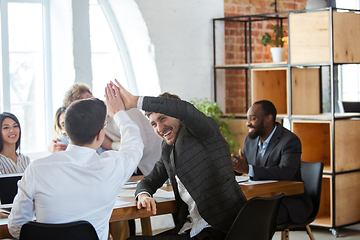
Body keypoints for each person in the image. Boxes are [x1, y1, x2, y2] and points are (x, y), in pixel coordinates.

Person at [110, 80, 247, 240]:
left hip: (221, 230)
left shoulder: (206, 132)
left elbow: (186, 110)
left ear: (178, 115)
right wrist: (143, 194)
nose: (159, 129)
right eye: (154, 124)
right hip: (192, 229)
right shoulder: (168, 150)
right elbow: (149, 180)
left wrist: (135, 101)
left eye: (163, 119)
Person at [7, 85, 144, 240]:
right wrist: (119, 113)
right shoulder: (111, 167)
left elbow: (16, 225)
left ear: (68, 131)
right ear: (100, 135)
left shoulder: (36, 168)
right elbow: (135, 145)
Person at [232, 100, 313, 224]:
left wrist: (248, 169)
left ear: (269, 118)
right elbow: (241, 164)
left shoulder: (289, 141)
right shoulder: (251, 139)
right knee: (229, 210)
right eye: (247, 119)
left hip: (287, 201)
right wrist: (230, 166)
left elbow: (286, 172)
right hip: (260, 198)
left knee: (254, 215)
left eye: (253, 119)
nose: (248, 123)